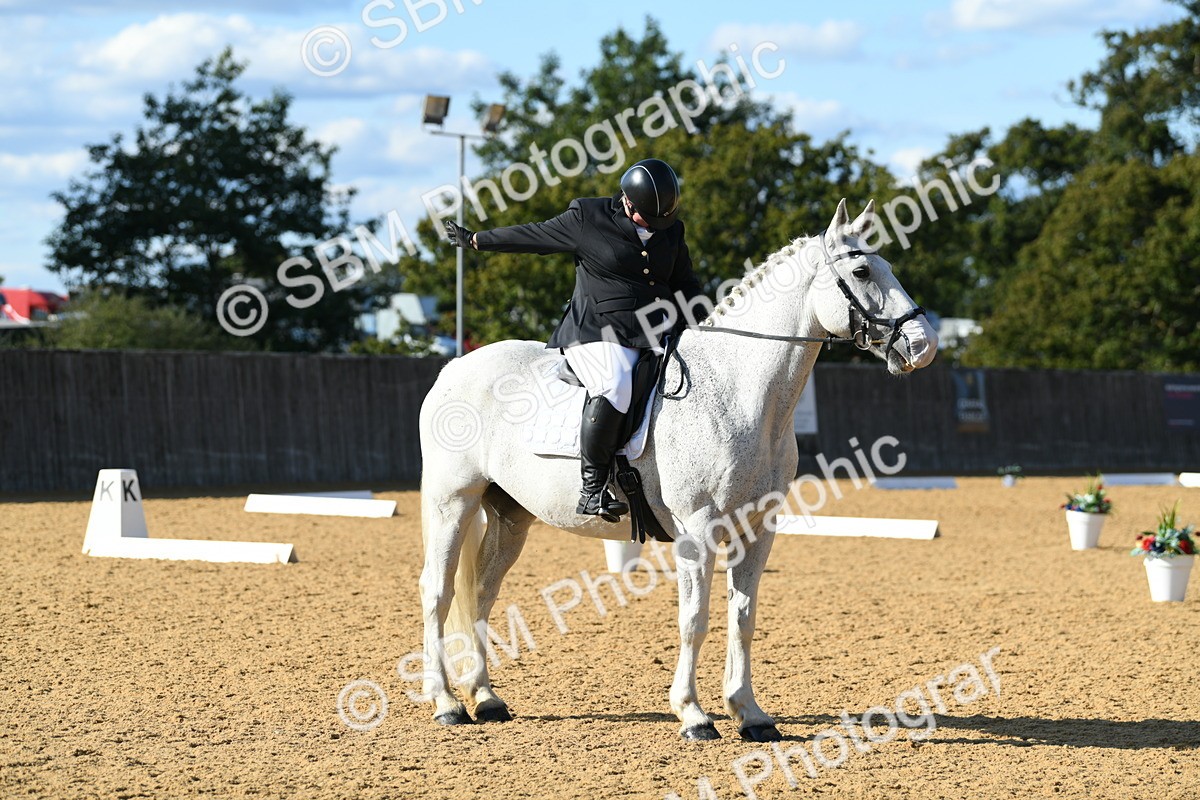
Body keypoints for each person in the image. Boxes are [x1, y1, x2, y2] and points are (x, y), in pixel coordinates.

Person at [445, 158, 705, 522]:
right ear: (627, 201)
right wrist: (476, 240)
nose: (655, 226)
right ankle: (592, 488)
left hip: (654, 332)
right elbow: (534, 235)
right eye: (647, 217)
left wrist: (704, 321)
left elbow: (685, 284)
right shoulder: (588, 217)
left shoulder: (671, 230)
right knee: (615, 384)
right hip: (597, 331)